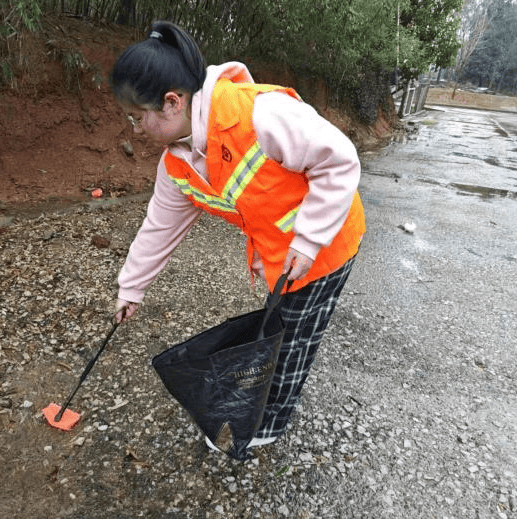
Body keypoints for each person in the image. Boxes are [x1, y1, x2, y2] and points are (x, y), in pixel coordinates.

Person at [109, 21, 365, 450]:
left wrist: (308, 240)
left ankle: (267, 424)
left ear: (172, 103)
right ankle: (263, 406)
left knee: (291, 338)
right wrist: (131, 288)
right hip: (280, 257)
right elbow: (159, 226)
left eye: (137, 118)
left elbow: (340, 161)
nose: (134, 130)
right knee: (280, 327)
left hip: (326, 244)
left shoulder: (260, 115)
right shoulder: (177, 164)